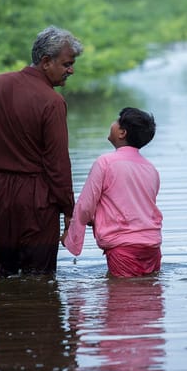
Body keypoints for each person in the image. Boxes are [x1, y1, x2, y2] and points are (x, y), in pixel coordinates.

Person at [0, 26, 83, 277]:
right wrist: (68, 209)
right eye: (67, 64)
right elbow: (58, 165)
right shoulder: (52, 102)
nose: (71, 70)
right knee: (40, 278)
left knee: (4, 275)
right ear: (45, 62)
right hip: (36, 199)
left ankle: (7, 314)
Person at [62, 107, 163, 277]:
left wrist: (70, 236)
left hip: (123, 248)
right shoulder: (150, 169)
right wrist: (97, 219)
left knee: (122, 299)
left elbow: (86, 206)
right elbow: (135, 209)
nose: (112, 123)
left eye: (117, 120)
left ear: (122, 133)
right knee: (149, 298)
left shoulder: (105, 163)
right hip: (152, 246)